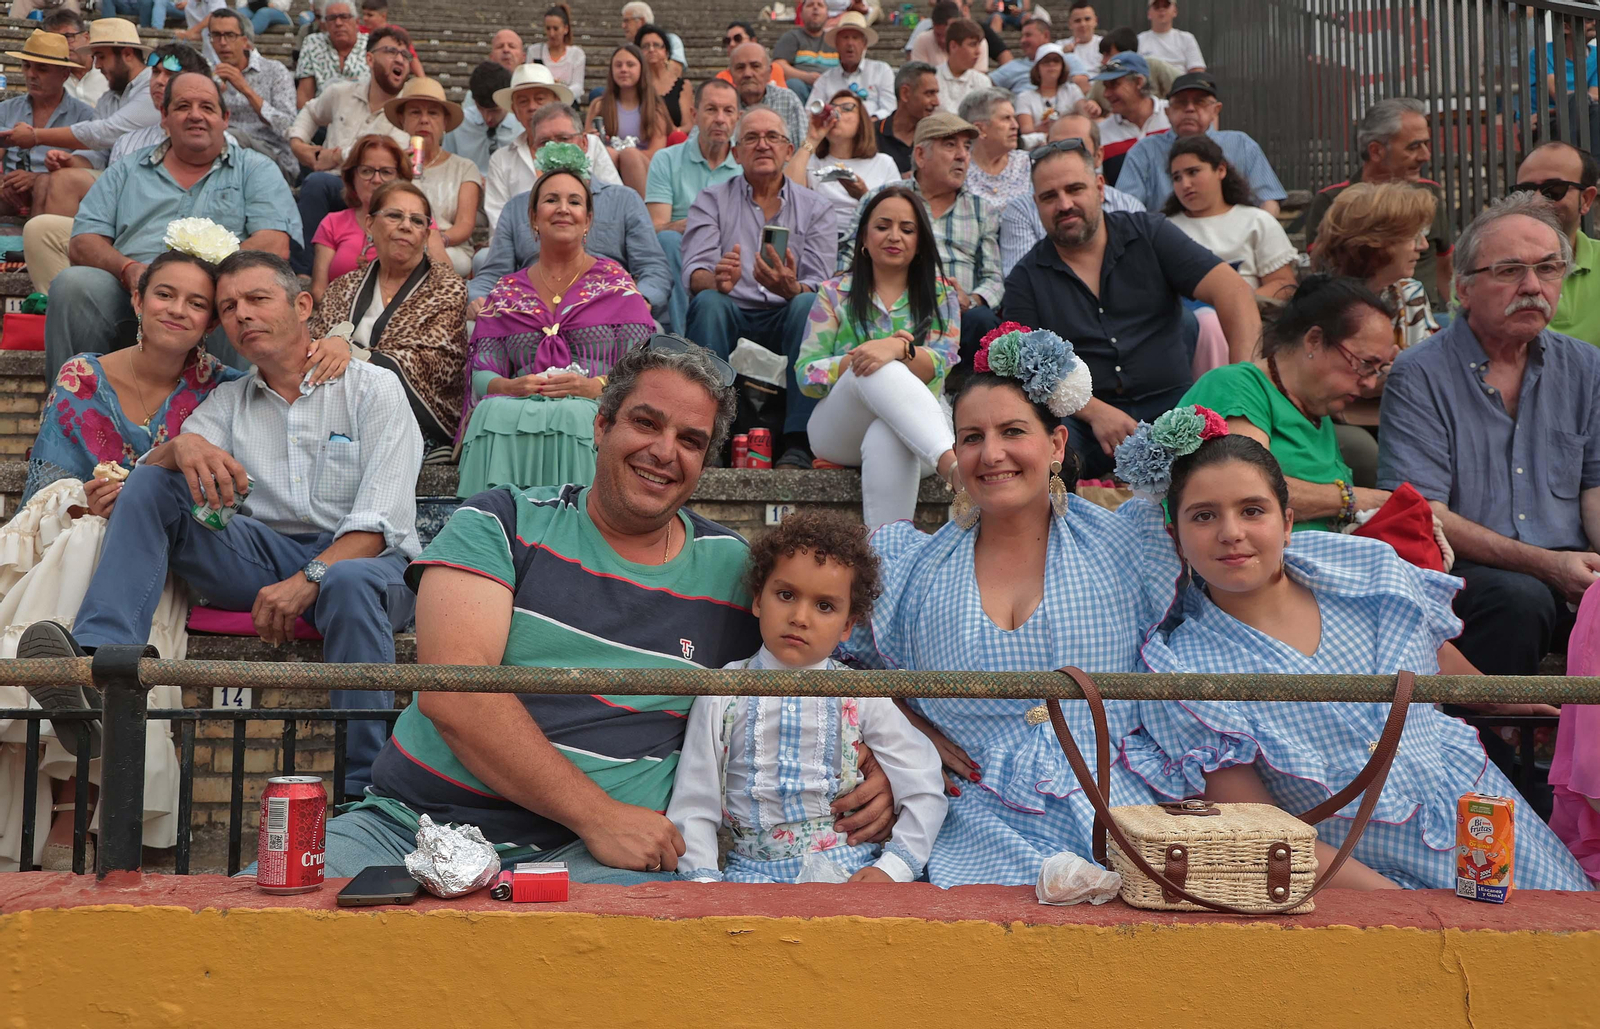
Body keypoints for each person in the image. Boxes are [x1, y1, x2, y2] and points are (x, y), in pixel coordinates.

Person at [321, 341, 899, 881]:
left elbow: (820, 668)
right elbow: (456, 694)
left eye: (691, 440)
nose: (664, 452)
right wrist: (597, 816)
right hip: (411, 828)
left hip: (603, 865)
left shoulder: (735, 571)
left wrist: (883, 759)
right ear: (601, 425)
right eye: (646, 423)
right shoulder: (501, 521)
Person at [24, 249, 420, 798]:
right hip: (259, 553)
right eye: (230, 307)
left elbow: (379, 524)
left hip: (365, 563)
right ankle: (104, 664)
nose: (242, 316)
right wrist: (180, 444)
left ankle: (365, 791)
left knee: (348, 582)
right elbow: (160, 479)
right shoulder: (229, 400)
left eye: (257, 299)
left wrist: (308, 578)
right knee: (155, 480)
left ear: (303, 305)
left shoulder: (372, 389)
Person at [1121, 429, 1591, 891]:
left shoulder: (1363, 568)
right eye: (1203, 516)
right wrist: (1403, 908)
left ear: (1286, 523)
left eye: (1252, 510)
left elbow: (1427, 648)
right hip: (1365, 873)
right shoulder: (1182, 671)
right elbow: (1261, 829)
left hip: (1482, 815)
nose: (1231, 533)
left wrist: (1501, 702)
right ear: (1176, 539)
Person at [840, 338, 1175, 887]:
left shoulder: (1128, 545)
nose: (990, 454)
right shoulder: (913, 567)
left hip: (1111, 813)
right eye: (972, 438)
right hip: (965, 825)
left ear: (1057, 444)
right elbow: (832, 665)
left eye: (1013, 431)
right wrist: (905, 728)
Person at [2, 249, 276, 873]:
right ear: (137, 301)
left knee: (115, 538)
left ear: (211, 323)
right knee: (91, 534)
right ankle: (81, 796)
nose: (178, 310)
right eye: (165, 294)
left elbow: (234, 506)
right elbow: (40, 496)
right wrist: (87, 505)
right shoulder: (81, 377)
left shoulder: (226, 391)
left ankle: (73, 793)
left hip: (170, 556)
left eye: (197, 303)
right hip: (73, 544)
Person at [1379, 193, 1600, 678]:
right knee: (1518, 599)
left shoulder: (1584, 366)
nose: (1533, 287)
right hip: (1469, 569)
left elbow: (1594, 489)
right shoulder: (1419, 373)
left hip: (1572, 567)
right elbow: (1425, 512)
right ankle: (1493, 749)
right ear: (1463, 288)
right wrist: (1545, 565)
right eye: (1508, 272)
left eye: (1548, 269)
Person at [668, 513, 945, 883]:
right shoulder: (721, 693)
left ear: (848, 625)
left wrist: (891, 869)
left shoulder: (862, 695)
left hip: (851, 877)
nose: (800, 617)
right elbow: (694, 806)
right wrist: (705, 886)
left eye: (825, 606)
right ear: (757, 599)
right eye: (786, 595)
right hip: (750, 882)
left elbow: (923, 784)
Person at [1003, 139, 1259, 479]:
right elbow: (1021, 367)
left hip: (1174, 408)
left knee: (1227, 466)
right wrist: (1095, 413)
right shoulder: (1026, 277)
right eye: (1050, 197)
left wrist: (1241, 387)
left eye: (1075, 189)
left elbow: (1234, 292)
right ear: (1036, 204)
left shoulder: (1149, 234)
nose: (1064, 204)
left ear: (1099, 188)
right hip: (1083, 423)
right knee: (1047, 449)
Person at [44, 71, 301, 383]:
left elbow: (273, 243)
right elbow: (83, 240)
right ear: (164, 116)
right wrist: (128, 269)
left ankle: (228, 410)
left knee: (237, 299)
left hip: (216, 291)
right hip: (132, 290)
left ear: (225, 118)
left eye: (207, 107)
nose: (195, 115)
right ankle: (75, 404)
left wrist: (209, 280)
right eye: (182, 107)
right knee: (73, 285)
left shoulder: (256, 169)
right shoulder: (126, 169)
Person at [457, 144, 657, 495]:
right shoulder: (507, 290)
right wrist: (510, 386)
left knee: (578, 415)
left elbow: (640, 369)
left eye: (575, 202)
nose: (563, 209)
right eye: (551, 200)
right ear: (533, 217)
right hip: (518, 402)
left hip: (594, 404)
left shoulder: (616, 284)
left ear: (588, 220)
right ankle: (494, 530)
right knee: (491, 414)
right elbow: (482, 372)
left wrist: (593, 387)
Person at [797, 186, 961, 529]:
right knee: (870, 367)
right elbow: (807, 373)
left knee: (887, 431)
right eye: (883, 226)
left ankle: (889, 557)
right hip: (839, 430)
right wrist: (863, 357)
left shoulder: (941, 293)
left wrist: (899, 349)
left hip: (922, 432)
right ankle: (954, 468)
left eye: (907, 229)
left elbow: (943, 362)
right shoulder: (834, 292)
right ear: (864, 238)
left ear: (919, 243)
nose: (894, 236)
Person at [1179, 276, 1394, 532]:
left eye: (1379, 370)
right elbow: (1246, 489)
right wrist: (1355, 499)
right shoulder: (1235, 387)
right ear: (1314, 340)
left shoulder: (1316, 410)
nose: (1370, 384)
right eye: (1365, 364)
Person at [683, 106, 834, 469]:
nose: (762, 145)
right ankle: (709, 437)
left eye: (773, 138)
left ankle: (799, 442)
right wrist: (717, 280)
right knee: (709, 303)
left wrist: (791, 287)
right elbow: (694, 272)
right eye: (751, 138)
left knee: (808, 304)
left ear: (788, 149)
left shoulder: (817, 207)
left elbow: (823, 284)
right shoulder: (711, 199)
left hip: (787, 315)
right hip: (733, 312)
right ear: (736, 153)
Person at [23, 43, 215, 298]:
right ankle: (58, 307)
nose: (159, 81)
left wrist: (36, 136)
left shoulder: (218, 144)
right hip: (121, 235)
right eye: (155, 73)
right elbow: (106, 197)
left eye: (170, 74)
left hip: (179, 242)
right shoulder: (128, 141)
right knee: (40, 229)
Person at [311, 180, 467, 462]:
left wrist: (349, 353)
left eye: (417, 220)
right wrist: (333, 350)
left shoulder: (448, 286)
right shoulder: (342, 286)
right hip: (338, 404)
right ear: (370, 225)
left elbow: (435, 361)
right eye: (394, 215)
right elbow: (315, 344)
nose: (406, 226)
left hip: (414, 415)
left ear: (425, 233)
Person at [840, 113, 1001, 376]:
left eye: (967, 147)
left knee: (983, 320)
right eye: (950, 145)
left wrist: (971, 300)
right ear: (920, 155)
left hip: (958, 316)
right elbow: (848, 258)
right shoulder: (882, 198)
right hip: (888, 305)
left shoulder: (983, 210)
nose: (962, 155)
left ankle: (969, 400)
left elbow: (994, 278)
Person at [474, 106, 666, 317]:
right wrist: (476, 297)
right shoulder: (517, 208)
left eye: (564, 139)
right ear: (534, 151)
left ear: (584, 143)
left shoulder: (624, 200)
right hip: (534, 312)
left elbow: (653, 267)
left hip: (610, 309)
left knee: (650, 332)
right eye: (545, 143)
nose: (556, 148)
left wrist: (643, 299)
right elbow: (492, 274)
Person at [1311, 182, 1440, 485]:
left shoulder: (1410, 293)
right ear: (1378, 243)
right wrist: (1396, 373)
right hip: (1338, 424)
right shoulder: (1322, 302)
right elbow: (1327, 386)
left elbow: (1431, 373)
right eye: (1413, 236)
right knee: (1364, 452)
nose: (1423, 246)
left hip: (1408, 418)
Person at [1306, 98, 1454, 310]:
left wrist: (1454, 317)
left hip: (1428, 315)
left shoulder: (1429, 193)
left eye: (1426, 144)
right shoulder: (1334, 201)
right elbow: (1324, 272)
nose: (1425, 156)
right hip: (1359, 313)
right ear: (1375, 151)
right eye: (1414, 147)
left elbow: (1444, 263)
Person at [287, 24, 410, 274]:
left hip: (377, 190)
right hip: (335, 186)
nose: (400, 59)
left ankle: (304, 272)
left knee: (316, 182)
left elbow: (394, 152)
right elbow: (310, 111)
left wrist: (335, 156)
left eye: (405, 54)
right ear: (369, 58)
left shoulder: (407, 111)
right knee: (312, 184)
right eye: (391, 51)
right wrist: (299, 145)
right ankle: (301, 274)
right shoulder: (341, 92)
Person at [1115, 71, 1286, 216]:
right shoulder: (1144, 151)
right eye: (1181, 102)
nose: (1190, 108)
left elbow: (1269, 201)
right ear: (1167, 112)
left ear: (1216, 110)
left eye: (1200, 102)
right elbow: (1125, 208)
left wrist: (1258, 235)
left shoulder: (1241, 145)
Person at [645, 79, 741, 332]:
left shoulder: (747, 165)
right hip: (680, 250)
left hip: (729, 250)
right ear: (694, 115)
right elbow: (655, 226)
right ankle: (681, 340)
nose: (720, 119)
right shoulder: (666, 159)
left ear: (738, 118)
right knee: (667, 240)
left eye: (728, 111)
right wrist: (700, 226)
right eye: (711, 110)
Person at [998, 115, 1145, 277]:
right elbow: (1024, 282)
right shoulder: (1021, 211)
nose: (1064, 158)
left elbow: (1141, 271)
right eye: (1055, 148)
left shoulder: (1129, 207)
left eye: (1076, 148)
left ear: (1098, 156)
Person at [484, 64, 623, 230]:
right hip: (522, 246)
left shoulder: (590, 145)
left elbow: (615, 199)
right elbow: (498, 217)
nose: (532, 107)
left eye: (540, 99)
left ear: (557, 101)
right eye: (523, 101)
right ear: (514, 109)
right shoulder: (501, 159)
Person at [4, 19, 156, 169]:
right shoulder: (107, 99)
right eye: (26, 66)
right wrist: (70, 161)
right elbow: (99, 153)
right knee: (60, 180)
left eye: (101, 56)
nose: (97, 65)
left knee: (57, 182)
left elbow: (106, 131)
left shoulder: (154, 87)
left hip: (147, 183)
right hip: (117, 181)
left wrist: (37, 136)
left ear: (128, 54)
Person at [1163, 135, 1297, 299]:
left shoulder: (1257, 221)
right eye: (1177, 178)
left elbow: (1283, 285)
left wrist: (1235, 305)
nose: (1185, 184)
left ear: (1220, 170)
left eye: (1193, 172)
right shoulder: (1164, 230)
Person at [310, 134, 434, 302]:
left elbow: (442, 279)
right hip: (342, 319)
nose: (376, 180)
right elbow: (318, 290)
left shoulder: (417, 222)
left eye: (386, 172)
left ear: (399, 179)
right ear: (352, 176)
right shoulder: (332, 223)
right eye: (366, 171)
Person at [383, 77, 481, 277]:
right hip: (399, 242)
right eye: (415, 112)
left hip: (448, 246)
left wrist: (434, 241)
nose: (424, 120)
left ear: (445, 122)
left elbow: (464, 224)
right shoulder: (390, 164)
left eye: (433, 113)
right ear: (402, 120)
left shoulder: (464, 167)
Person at [785, 89, 900, 247]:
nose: (836, 113)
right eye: (832, 108)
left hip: (867, 241)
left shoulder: (883, 163)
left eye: (846, 108)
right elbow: (788, 194)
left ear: (862, 121)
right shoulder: (812, 161)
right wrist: (812, 138)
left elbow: (898, 215)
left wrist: (864, 196)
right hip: (818, 238)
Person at [0, 30, 95, 216]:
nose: (31, 74)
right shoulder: (6, 109)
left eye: (42, 69)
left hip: (57, 195)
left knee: (47, 187)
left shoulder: (85, 115)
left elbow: (87, 166)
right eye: (26, 66)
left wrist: (37, 179)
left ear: (65, 75)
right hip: (9, 192)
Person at [1516, 142, 1600, 347]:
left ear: (1587, 199)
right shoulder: (1482, 267)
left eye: (1554, 190)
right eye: (1526, 191)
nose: (1536, 201)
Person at [207, 9, 297, 181]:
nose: (223, 42)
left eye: (230, 35)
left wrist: (246, 90)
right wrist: (213, 94)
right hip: (222, 152)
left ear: (245, 40)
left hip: (272, 155)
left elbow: (288, 126)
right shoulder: (209, 75)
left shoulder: (274, 71)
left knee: (231, 136)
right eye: (216, 35)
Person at [587, 44, 672, 196]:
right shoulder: (599, 105)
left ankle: (644, 214)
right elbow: (586, 147)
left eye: (630, 65)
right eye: (618, 65)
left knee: (629, 156)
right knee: (608, 154)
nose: (624, 69)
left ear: (641, 69)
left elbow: (656, 154)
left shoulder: (655, 108)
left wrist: (623, 155)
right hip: (608, 163)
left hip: (643, 169)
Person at [1092, 52, 1170, 185]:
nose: (1106, 94)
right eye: (1105, 86)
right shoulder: (1101, 133)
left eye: (1114, 84)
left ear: (1139, 82)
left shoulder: (1172, 115)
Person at [809, 13, 896, 121]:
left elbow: (890, 108)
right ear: (837, 44)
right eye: (845, 38)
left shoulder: (881, 71)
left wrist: (867, 124)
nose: (850, 43)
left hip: (874, 131)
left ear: (864, 44)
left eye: (855, 38)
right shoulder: (825, 79)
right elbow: (810, 111)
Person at [441, 62, 519, 175]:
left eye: (494, 111)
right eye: (480, 109)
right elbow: (447, 166)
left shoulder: (522, 126)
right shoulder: (458, 124)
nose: (488, 118)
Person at [729, 42, 807, 150]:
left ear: (769, 72)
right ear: (731, 74)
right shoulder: (723, 105)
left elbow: (804, 149)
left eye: (755, 66)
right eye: (740, 67)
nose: (747, 73)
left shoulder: (788, 100)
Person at [958, 88, 1028, 207]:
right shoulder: (960, 168)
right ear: (980, 129)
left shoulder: (1027, 163)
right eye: (1006, 118)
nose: (1015, 125)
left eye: (1014, 118)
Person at [294, 0, 368, 108]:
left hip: (363, 116)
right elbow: (304, 94)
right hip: (323, 117)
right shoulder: (313, 44)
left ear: (356, 22)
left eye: (344, 17)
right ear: (325, 25)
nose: (338, 23)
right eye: (332, 18)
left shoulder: (371, 45)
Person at [1088, 26, 1178, 111]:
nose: (1103, 61)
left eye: (1108, 55)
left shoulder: (1153, 65)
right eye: (1106, 86)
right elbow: (1089, 101)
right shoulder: (1102, 78)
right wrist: (1092, 105)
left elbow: (1182, 86)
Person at [1013, 44, 1087, 147]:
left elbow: (1085, 115)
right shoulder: (1025, 97)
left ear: (1062, 66)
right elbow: (1026, 130)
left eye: (1056, 61)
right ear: (1037, 68)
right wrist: (1040, 128)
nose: (1051, 65)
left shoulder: (1072, 90)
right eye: (1046, 62)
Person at [875, 61, 939, 174]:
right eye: (929, 93)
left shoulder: (936, 137)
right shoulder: (871, 135)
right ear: (905, 94)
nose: (936, 102)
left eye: (936, 94)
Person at [994, 19, 1084, 96]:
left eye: (1028, 35)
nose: (1022, 40)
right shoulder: (1014, 66)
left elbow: (1083, 88)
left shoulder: (1069, 59)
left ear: (1046, 35)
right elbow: (986, 84)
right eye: (1022, 36)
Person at [772, 0, 838, 103]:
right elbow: (778, 65)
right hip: (802, 88)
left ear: (827, 14)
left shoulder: (835, 40)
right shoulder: (791, 37)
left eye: (820, 5)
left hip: (831, 88)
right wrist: (806, 77)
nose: (815, 8)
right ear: (801, 14)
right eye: (810, 5)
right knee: (793, 84)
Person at [41, 11, 109, 108]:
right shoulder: (51, 79)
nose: (63, 44)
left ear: (86, 38)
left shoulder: (109, 74)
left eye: (68, 37)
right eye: (55, 40)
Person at [635, 24, 691, 134]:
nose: (651, 50)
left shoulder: (683, 85)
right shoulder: (635, 85)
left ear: (666, 52)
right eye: (645, 46)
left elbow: (689, 125)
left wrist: (674, 132)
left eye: (656, 45)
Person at [910, 1, 992, 72]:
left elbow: (979, 80)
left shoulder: (977, 44)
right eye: (938, 35)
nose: (942, 40)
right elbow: (918, 76)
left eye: (946, 35)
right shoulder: (922, 40)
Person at [526, 3, 585, 97]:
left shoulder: (577, 54)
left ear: (565, 29)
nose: (551, 33)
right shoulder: (534, 51)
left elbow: (578, 86)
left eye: (556, 29)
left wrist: (560, 90)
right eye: (548, 28)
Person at [934, 20, 992, 115]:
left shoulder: (982, 81)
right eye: (972, 44)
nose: (978, 52)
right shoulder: (933, 78)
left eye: (979, 45)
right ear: (953, 46)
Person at [716, 21, 788, 93]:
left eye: (738, 38)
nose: (732, 44)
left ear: (753, 40)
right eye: (727, 41)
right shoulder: (721, 78)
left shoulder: (774, 69)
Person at [1138, 0, 1204, 71]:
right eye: (1157, 6)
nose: (1161, 9)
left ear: (1175, 11)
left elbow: (1197, 70)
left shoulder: (1187, 38)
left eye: (1166, 5)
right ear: (1149, 14)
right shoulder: (1139, 40)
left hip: (1179, 80)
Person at [620, 2, 686, 69]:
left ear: (641, 21)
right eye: (645, 46)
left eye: (627, 21)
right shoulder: (628, 48)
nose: (623, 26)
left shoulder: (671, 40)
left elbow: (675, 72)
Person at [1062, 1, 1104, 74]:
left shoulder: (1105, 44)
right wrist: (1062, 56)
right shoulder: (1060, 47)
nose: (1083, 24)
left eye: (1087, 19)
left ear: (1095, 21)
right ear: (1070, 24)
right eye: (1077, 21)